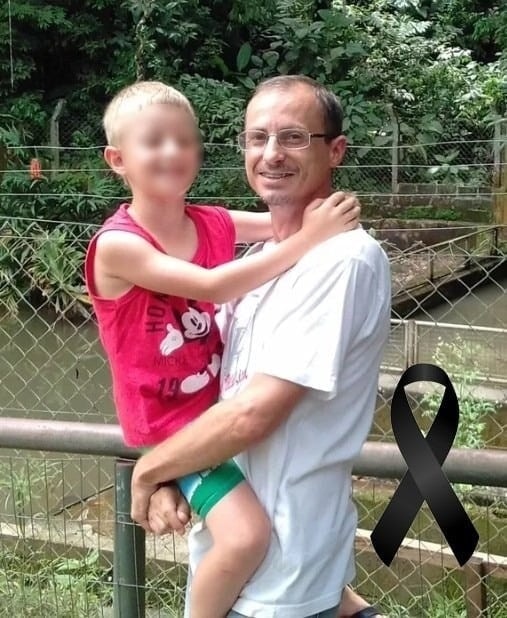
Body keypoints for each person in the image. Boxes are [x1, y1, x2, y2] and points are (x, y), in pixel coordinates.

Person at [85, 80, 362, 618]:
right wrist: (310, 237)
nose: (173, 151)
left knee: (274, 537)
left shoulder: (209, 222)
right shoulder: (119, 244)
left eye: (185, 140)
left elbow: (284, 222)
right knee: (244, 536)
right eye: (154, 141)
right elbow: (215, 286)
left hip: (214, 411)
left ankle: (336, 596)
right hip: (172, 425)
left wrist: (330, 217)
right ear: (118, 160)